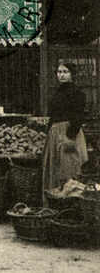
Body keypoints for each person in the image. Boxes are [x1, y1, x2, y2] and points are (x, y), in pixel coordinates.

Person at [42, 63, 89, 203]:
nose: (61, 75)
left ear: (72, 74)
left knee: (68, 168)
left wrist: (70, 137)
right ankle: (55, 202)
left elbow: (78, 117)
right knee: (54, 168)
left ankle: (71, 204)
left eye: (65, 72)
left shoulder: (77, 93)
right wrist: (49, 132)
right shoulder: (56, 93)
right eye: (59, 72)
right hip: (55, 134)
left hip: (69, 133)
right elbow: (53, 115)